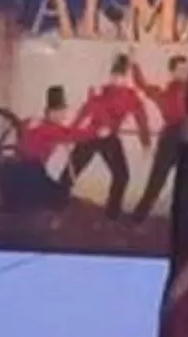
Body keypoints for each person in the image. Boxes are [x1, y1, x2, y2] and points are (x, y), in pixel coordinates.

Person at [65, 54, 153, 217]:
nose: (118, 79)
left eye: (122, 76)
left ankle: (112, 214)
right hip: (90, 136)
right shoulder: (101, 91)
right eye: (115, 75)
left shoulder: (131, 97)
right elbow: (85, 111)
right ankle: (56, 203)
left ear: (127, 77)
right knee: (70, 171)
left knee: (122, 176)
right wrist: (71, 133)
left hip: (109, 139)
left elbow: (142, 119)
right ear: (111, 75)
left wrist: (146, 143)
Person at [0, 85, 78, 210]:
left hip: (21, 166)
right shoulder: (50, 129)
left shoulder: (34, 121)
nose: (63, 116)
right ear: (50, 113)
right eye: (60, 112)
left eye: (63, 112)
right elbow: (75, 134)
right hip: (30, 170)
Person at [129, 55, 188, 219]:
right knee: (156, 181)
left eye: (186, 69)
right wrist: (134, 62)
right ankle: (137, 218)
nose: (185, 72)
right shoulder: (162, 93)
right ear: (173, 72)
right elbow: (141, 84)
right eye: (181, 69)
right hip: (170, 138)